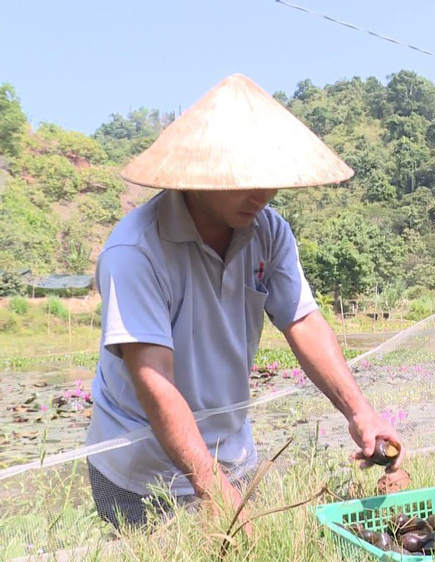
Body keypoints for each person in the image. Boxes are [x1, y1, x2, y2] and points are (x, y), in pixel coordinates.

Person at [84, 74, 404, 531]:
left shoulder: (269, 232)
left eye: (270, 179)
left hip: (232, 453)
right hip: (143, 473)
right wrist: (212, 487)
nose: (262, 193)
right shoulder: (135, 251)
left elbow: (303, 322)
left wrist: (361, 412)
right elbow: (153, 379)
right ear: (198, 176)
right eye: (243, 179)